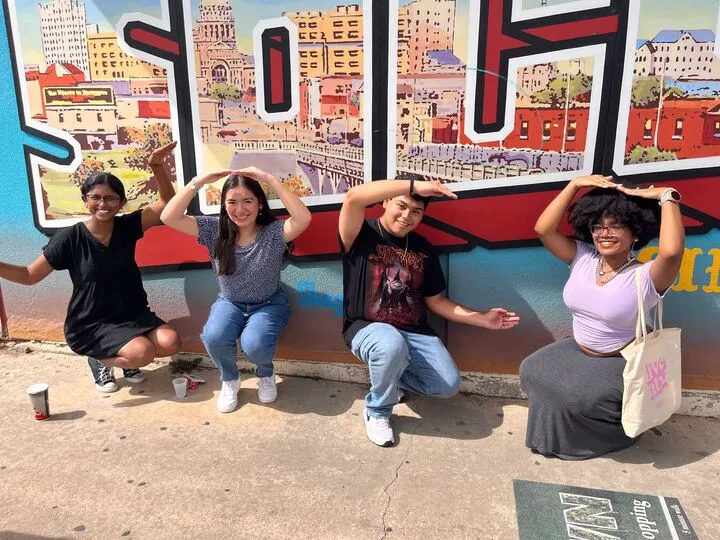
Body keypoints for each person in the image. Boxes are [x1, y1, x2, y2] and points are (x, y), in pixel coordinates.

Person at [338, 177, 520, 447]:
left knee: (447, 385)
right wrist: (413, 187)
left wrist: (482, 318)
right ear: (386, 202)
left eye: (416, 211)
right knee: (389, 344)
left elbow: (436, 302)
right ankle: (377, 409)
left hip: (414, 332)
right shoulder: (360, 234)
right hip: (367, 329)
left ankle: (390, 375)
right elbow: (353, 197)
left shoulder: (423, 249)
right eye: (401, 205)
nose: (407, 216)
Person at [520, 175, 685, 460]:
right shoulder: (582, 257)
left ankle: (615, 434)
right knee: (530, 369)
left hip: (620, 358)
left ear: (635, 233)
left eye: (615, 226)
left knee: (577, 395)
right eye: (597, 226)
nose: (604, 234)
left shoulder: (645, 276)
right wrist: (574, 186)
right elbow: (543, 229)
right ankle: (552, 435)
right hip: (578, 346)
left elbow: (671, 251)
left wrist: (667, 196)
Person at [0, 141, 182, 393]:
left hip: (131, 314)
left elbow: (166, 203)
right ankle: (100, 359)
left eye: (110, 198)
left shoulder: (127, 227)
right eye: (95, 197)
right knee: (143, 352)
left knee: (170, 342)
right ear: (85, 200)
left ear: (121, 202)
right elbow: (29, 275)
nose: (102, 204)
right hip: (92, 322)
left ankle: (127, 359)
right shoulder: (69, 238)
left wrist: (156, 165)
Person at [161, 167, 311, 412]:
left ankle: (265, 374)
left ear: (260, 204)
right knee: (214, 336)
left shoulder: (273, 233)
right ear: (224, 205)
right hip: (229, 302)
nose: (240, 209)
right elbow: (169, 217)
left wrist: (269, 178)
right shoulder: (214, 231)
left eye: (247, 201)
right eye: (232, 202)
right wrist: (197, 182)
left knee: (255, 344)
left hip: (268, 303)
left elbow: (303, 218)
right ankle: (230, 380)